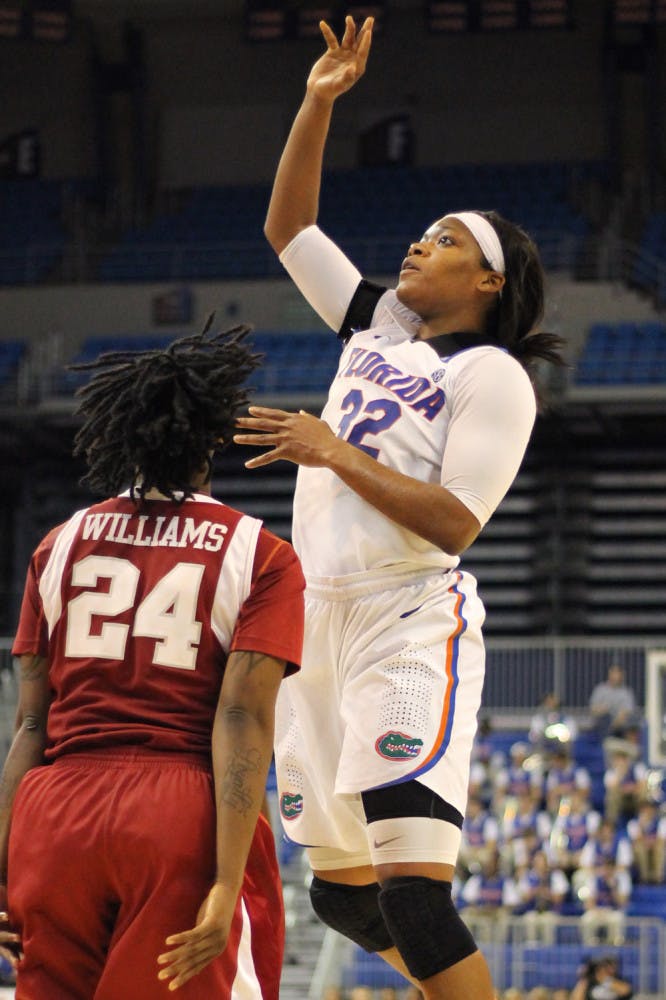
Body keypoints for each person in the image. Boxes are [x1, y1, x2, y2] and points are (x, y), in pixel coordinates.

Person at [234, 14, 564, 1000]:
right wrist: (318, 101)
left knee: (414, 893)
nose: (421, 244)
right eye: (423, 233)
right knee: (341, 895)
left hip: (405, 619)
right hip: (316, 621)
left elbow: (457, 521)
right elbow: (290, 229)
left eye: (447, 239)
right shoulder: (376, 328)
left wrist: (333, 449)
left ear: (489, 279)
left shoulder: (497, 375)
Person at [0, 324, 305, 999]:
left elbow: (28, 727)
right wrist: (227, 880)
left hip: (53, 814)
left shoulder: (58, 544)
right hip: (179, 811)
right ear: (212, 439)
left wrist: (0, 867)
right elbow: (241, 716)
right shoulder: (260, 554)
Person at [588, 665, 640, 740]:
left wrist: (614, 723)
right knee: (605, 719)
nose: (616, 676)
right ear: (610, 674)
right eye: (614, 673)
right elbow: (593, 709)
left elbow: (627, 712)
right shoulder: (600, 690)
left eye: (618, 674)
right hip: (600, 725)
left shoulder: (626, 692)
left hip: (619, 728)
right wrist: (603, 710)